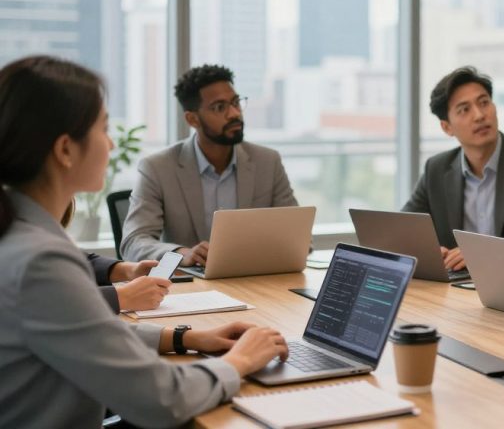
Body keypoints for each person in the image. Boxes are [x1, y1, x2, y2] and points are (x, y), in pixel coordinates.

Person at [0, 55, 289, 428]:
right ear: (65, 150)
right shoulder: (40, 261)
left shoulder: (20, 235)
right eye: (104, 129)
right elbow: (162, 399)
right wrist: (240, 361)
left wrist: (186, 337)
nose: (110, 143)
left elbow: (90, 335)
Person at [403, 66, 504, 283]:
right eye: (464, 109)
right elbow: (405, 234)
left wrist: (483, 258)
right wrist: (435, 253)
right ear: (447, 127)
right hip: (458, 292)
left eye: (484, 103)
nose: (480, 115)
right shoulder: (437, 169)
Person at [121, 64, 298, 264]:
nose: (234, 113)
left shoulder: (268, 162)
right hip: (191, 288)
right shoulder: (157, 168)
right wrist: (182, 253)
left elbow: (298, 239)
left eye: (235, 102)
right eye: (219, 107)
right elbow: (133, 243)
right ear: (192, 119)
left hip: (253, 281)